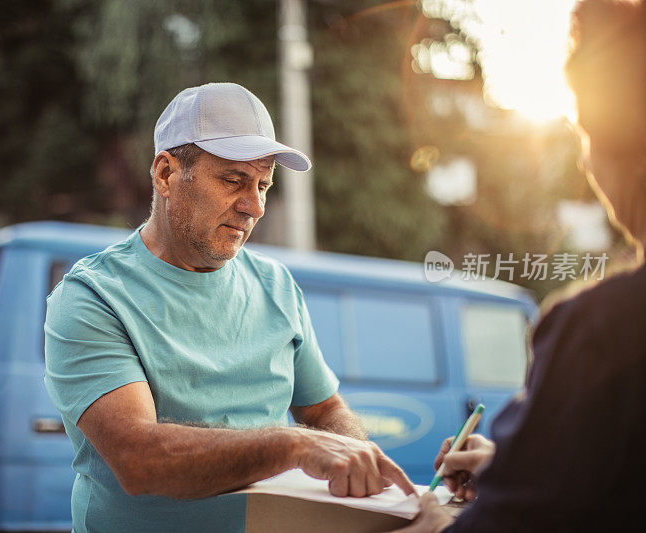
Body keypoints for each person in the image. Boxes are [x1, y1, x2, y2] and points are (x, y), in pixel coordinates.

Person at [44, 82, 415, 533]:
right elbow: (139, 459)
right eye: (233, 180)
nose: (254, 206)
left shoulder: (276, 285)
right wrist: (291, 446)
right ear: (165, 174)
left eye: (263, 185)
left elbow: (324, 412)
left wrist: (355, 461)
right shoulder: (92, 297)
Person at [395, 0, 646, 531]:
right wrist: (519, 465)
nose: (582, 160)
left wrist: (434, 522)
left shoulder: (603, 330)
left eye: (584, 133)